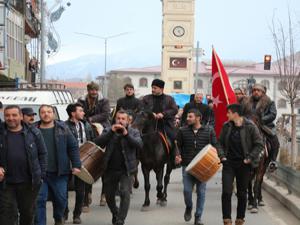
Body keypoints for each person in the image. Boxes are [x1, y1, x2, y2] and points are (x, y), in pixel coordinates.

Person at [0, 105, 47, 225]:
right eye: (7, 115)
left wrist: (41, 175)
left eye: (14, 115)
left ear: (21, 116)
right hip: (5, 184)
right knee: (7, 216)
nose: (11, 118)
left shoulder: (34, 132)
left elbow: (43, 154)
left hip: (29, 183)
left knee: (27, 214)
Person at [34, 104, 81, 225]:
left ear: (53, 114)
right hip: (40, 173)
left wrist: (76, 165)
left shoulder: (63, 128)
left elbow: (73, 147)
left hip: (60, 172)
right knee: (39, 200)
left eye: (49, 112)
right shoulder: (33, 129)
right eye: (43, 112)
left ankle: (58, 217)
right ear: (40, 114)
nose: (46, 114)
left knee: (61, 199)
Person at [218, 104, 263, 225]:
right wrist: (222, 156)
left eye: (228, 113)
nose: (227, 115)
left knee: (242, 193)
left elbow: (259, 144)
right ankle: (226, 219)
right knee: (226, 191)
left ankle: (240, 218)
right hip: (228, 164)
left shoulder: (250, 126)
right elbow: (219, 143)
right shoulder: (226, 126)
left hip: (244, 164)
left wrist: (249, 158)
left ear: (235, 114)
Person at [94, 110, 142, 225]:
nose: (120, 121)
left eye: (123, 119)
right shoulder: (108, 130)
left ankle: (120, 220)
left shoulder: (133, 132)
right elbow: (98, 142)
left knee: (125, 193)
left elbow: (139, 145)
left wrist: (126, 134)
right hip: (109, 169)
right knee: (109, 196)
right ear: (115, 119)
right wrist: (111, 132)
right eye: (118, 118)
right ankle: (115, 213)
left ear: (128, 121)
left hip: (127, 169)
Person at [175, 109, 219, 225]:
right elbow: (177, 146)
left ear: (198, 118)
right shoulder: (182, 131)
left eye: (190, 117)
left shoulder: (209, 130)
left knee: (201, 192)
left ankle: (198, 217)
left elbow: (215, 145)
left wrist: (219, 158)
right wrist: (177, 155)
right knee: (187, 191)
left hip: (203, 167)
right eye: (187, 117)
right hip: (187, 166)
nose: (187, 118)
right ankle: (189, 207)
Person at [78, 81, 111, 205]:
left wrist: (91, 119)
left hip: (100, 123)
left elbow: (105, 114)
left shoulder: (104, 101)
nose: (94, 92)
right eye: (92, 90)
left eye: (95, 90)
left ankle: (104, 194)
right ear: (88, 90)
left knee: (108, 134)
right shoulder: (82, 100)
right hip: (85, 123)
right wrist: (85, 120)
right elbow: (79, 110)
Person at [64, 103, 96, 223]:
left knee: (81, 191)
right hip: (67, 161)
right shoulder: (64, 126)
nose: (83, 113)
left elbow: (91, 141)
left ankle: (77, 215)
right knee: (64, 191)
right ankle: (64, 212)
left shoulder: (86, 125)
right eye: (81, 111)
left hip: (82, 161)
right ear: (73, 113)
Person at [243, 83, 280, 170]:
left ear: (263, 92)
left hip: (264, 125)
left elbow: (273, 114)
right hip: (248, 125)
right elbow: (242, 113)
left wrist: (261, 119)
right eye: (254, 90)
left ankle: (273, 161)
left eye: (258, 90)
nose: (256, 92)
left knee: (275, 141)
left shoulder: (270, 102)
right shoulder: (246, 102)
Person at [142, 79, 178, 165]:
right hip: (149, 125)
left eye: (155, 88)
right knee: (137, 137)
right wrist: (151, 113)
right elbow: (142, 108)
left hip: (165, 125)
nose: (153, 90)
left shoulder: (169, 99)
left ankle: (173, 160)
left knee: (173, 138)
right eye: (152, 87)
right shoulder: (146, 98)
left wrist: (163, 114)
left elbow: (174, 110)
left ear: (161, 89)